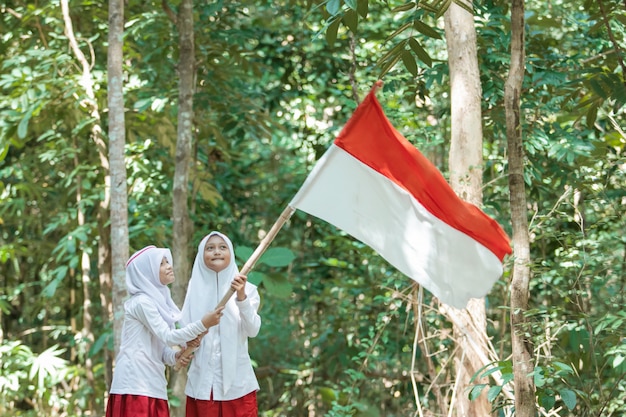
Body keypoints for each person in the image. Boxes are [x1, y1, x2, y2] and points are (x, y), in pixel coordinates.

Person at [106, 245, 224, 417]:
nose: (169, 266)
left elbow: (161, 350)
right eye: (161, 264)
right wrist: (203, 324)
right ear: (146, 273)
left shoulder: (160, 302)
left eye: (167, 261)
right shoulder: (141, 302)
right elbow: (168, 337)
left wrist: (174, 356)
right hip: (135, 383)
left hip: (153, 384)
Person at [180, 231, 261, 417]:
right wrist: (186, 345)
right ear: (201, 255)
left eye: (222, 247)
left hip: (238, 385)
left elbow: (253, 330)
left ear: (231, 253)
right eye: (210, 248)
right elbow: (184, 328)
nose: (216, 252)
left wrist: (241, 297)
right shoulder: (194, 288)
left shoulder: (248, 290)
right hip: (202, 384)